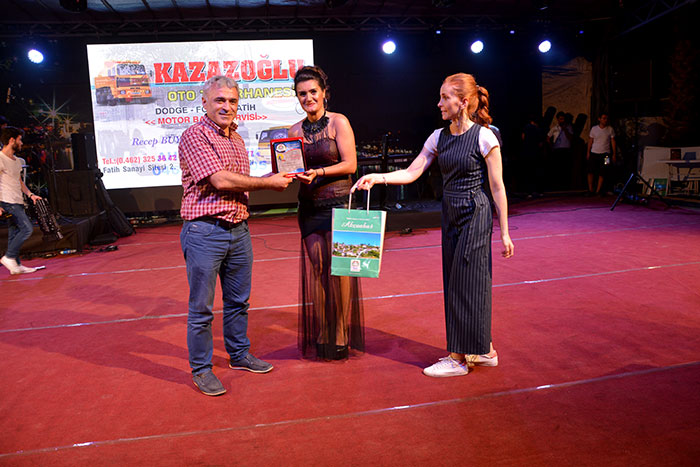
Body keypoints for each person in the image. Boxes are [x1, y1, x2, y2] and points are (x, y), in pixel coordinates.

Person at [352, 73, 514, 377]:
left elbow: (497, 187)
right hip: (450, 212)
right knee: (459, 282)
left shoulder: (485, 137)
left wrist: (504, 232)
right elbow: (412, 172)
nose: (439, 103)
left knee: (466, 283)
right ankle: (485, 350)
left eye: (444, 97)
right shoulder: (438, 136)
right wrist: (377, 177)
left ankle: (458, 358)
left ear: (462, 102)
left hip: (474, 213)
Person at [178, 75, 293, 396]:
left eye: (232, 101)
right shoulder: (195, 135)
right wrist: (269, 183)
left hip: (239, 230)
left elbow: (240, 181)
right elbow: (221, 181)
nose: (227, 106)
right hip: (205, 231)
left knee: (239, 302)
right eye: (220, 100)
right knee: (201, 309)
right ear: (204, 102)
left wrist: (277, 175)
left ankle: (239, 354)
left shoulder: (237, 138)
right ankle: (201, 369)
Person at [288, 66, 364, 360]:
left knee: (341, 271)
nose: (308, 98)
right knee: (318, 270)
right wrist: (285, 175)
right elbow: (291, 166)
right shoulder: (294, 131)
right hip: (309, 207)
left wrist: (318, 172)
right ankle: (322, 330)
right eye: (302, 94)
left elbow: (350, 164)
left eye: (312, 92)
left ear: (323, 93)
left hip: (340, 205)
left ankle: (342, 330)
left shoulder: (338, 122)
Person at [1, 126, 43, 275]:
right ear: (12, 140)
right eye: (19, 140)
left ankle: (16, 266)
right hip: (7, 201)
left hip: (17, 200)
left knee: (14, 233)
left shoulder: (17, 161)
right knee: (27, 228)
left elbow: (19, 182)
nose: (21, 143)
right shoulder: (0, 158)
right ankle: (9, 257)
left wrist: (31, 195)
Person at [586, 112, 617, 196]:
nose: (605, 120)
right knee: (590, 171)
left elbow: (613, 141)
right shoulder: (594, 129)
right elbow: (590, 140)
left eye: (606, 118)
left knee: (604, 171)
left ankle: (598, 190)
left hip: (606, 154)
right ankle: (590, 189)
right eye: (603, 118)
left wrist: (614, 154)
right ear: (599, 119)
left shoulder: (610, 129)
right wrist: (588, 152)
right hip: (594, 152)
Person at [546, 111, 574, 191]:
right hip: (557, 150)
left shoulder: (569, 127)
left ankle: (565, 185)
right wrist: (551, 146)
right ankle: (557, 185)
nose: (562, 120)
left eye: (563, 119)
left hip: (566, 150)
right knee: (557, 168)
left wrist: (565, 130)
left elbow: (571, 138)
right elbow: (548, 137)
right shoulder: (555, 128)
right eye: (561, 119)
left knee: (565, 168)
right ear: (558, 119)